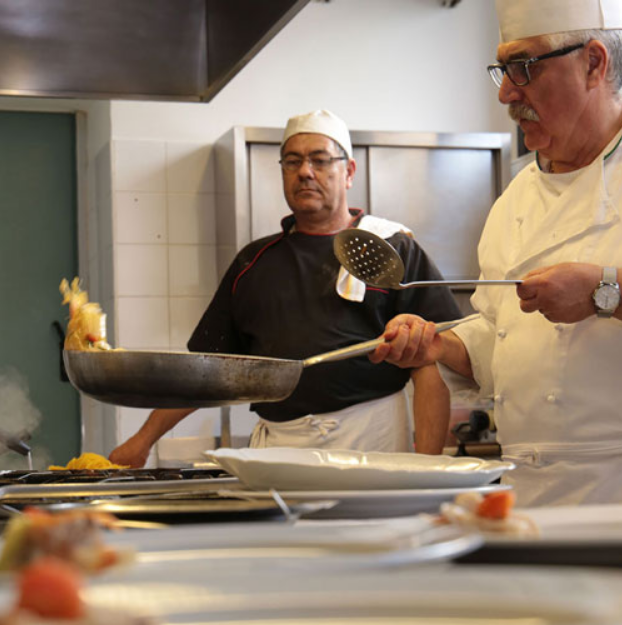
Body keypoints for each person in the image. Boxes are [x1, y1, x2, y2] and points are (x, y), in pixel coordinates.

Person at [370, 0, 622, 507]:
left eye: (524, 67)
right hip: (530, 494)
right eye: (503, 70)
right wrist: (443, 347)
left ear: (594, 63)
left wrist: (606, 290)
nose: (507, 92)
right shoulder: (514, 199)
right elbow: (499, 335)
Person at [110, 109, 461, 467]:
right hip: (279, 448)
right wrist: (141, 441)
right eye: (292, 162)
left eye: (320, 160)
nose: (305, 172)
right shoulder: (254, 262)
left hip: (372, 441)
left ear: (349, 172)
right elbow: (206, 373)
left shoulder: (390, 249)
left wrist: (428, 466)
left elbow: (433, 362)